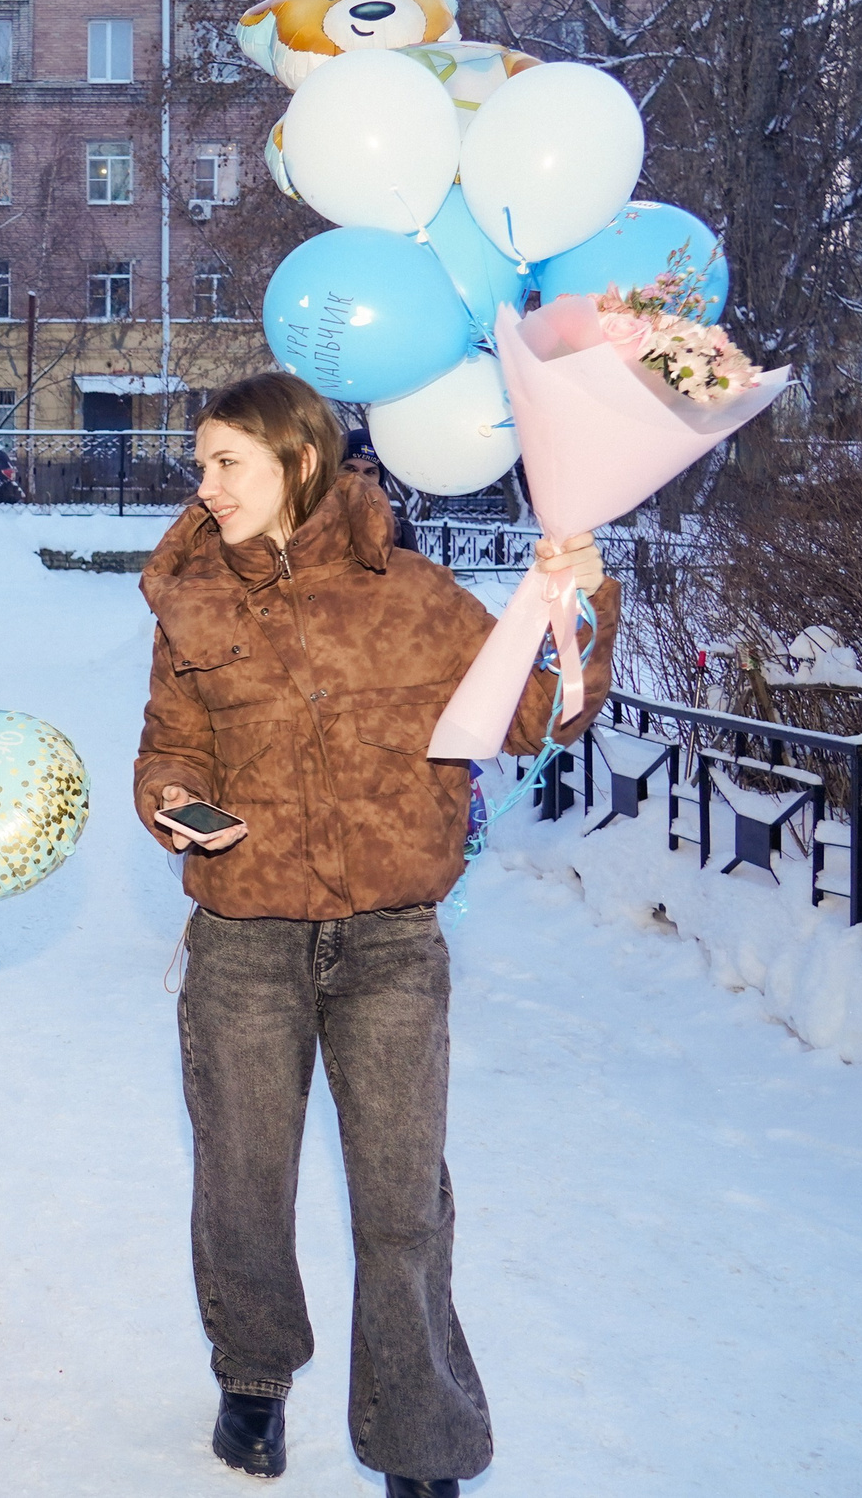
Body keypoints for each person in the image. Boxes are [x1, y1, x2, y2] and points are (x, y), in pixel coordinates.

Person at [133, 372, 615, 1498]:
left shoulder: (412, 593)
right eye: (199, 467)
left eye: (225, 465)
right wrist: (172, 799)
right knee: (243, 1181)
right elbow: (169, 747)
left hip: (391, 943)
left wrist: (575, 601)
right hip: (245, 938)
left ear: (298, 461)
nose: (204, 489)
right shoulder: (193, 601)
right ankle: (252, 1376)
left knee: (402, 1201)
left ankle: (419, 1442)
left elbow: (543, 711)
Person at [343, 427, 420, 551]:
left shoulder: (399, 534)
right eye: (350, 469)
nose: (360, 479)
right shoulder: (308, 522)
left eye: (370, 472)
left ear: (381, 481)